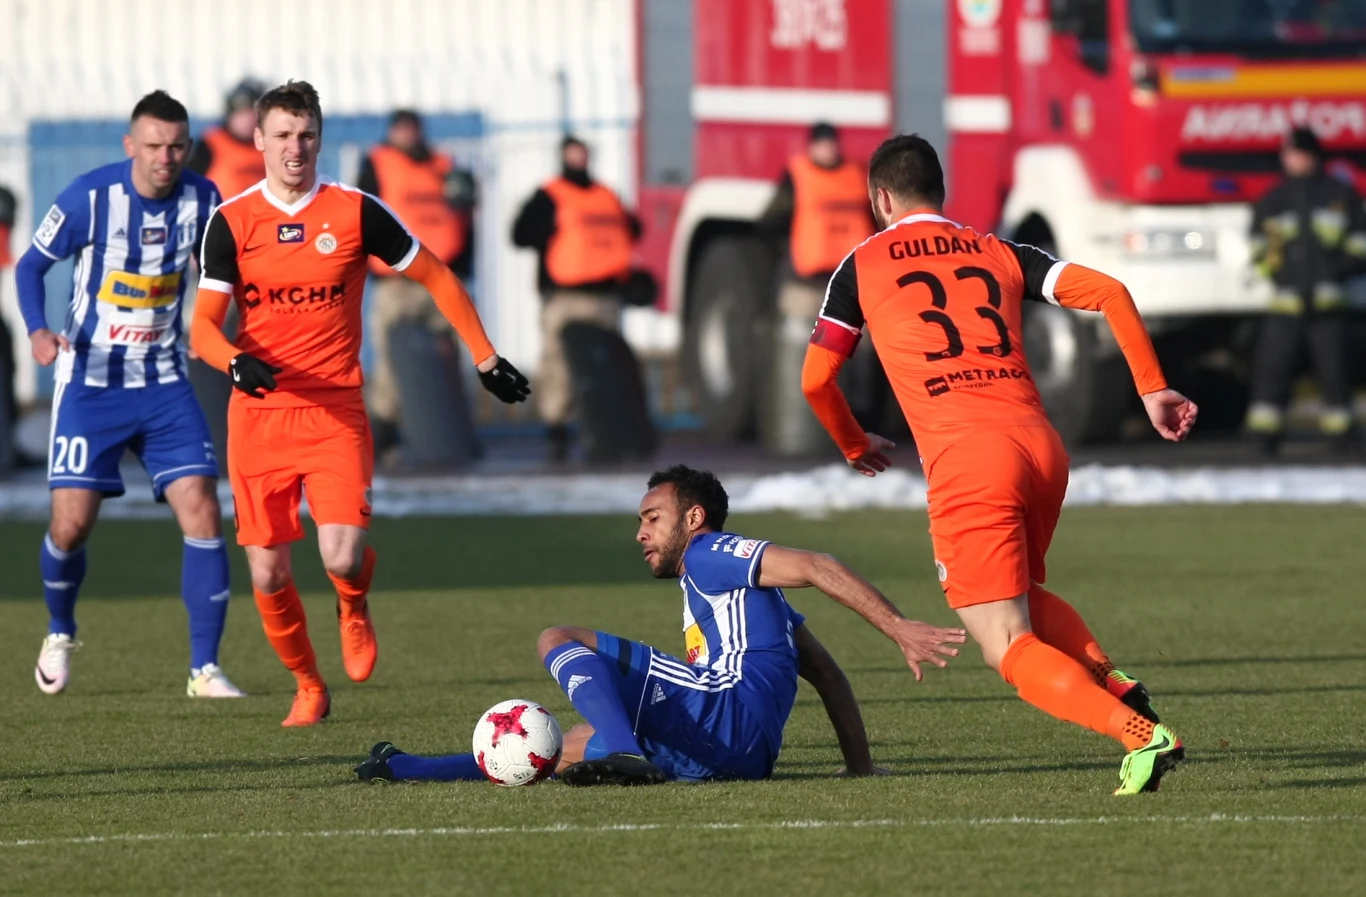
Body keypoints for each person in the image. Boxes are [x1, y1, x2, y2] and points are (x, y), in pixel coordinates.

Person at [801, 134, 1200, 796]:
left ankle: (1139, 734)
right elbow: (1109, 291)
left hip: (969, 459)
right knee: (1017, 598)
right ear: (942, 192)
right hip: (1041, 448)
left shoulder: (861, 265)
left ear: (880, 198)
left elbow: (817, 380)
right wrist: (1152, 386)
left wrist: (852, 443)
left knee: (1005, 644)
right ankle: (1110, 681)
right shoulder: (997, 249)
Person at [189, 81, 530, 727]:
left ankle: (352, 601)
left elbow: (434, 272)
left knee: (341, 554)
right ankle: (308, 683)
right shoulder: (230, 221)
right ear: (258, 139)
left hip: (334, 410)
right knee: (266, 573)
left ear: (321, 138)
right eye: (283, 135)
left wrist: (484, 356)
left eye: (306, 135)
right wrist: (233, 358)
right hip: (259, 417)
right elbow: (202, 325)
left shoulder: (353, 211)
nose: (295, 148)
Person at [353, 464, 965, 785]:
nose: (640, 533)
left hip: (723, 713)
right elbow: (827, 675)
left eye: (652, 517)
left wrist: (898, 626)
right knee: (564, 746)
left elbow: (816, 563)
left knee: (556, 638)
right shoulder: (754, 609)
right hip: (742, 753)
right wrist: (858, 767)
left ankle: (622, 748)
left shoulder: (708, 552)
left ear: (693, 518)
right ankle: (408, 766)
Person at [14, 91, 242, 698]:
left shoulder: (205, 199)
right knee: (72, 525)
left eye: (176, 146)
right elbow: (30, 266)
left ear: (188, 147)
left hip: (166, 382)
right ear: (130, 146)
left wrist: (210, 328)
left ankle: (204, 669)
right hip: (91, 384)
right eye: (153, 146)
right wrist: (38, 330)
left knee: (202, 507)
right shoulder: (91, 197)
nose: (165, 158)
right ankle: (60, 629)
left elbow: (221, 277)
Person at [512, 135, 641, 463]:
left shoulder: (606, 196)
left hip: (605, 297)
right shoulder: (550, 195)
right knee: (559, 367)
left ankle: (605, 433)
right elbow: (520, 233)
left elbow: (632, 230)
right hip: (564, 299)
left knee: (605, 368)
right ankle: (558, 431)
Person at [356, 109, 476, 455]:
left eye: (412, 128)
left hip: (440, 276)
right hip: (397, 281)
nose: (408, 135)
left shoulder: (444, 166)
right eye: (401, 129)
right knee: (394, 361)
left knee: (446, 356)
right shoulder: (378, 164)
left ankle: (445, 432)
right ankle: (384, 429)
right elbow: (361, 217)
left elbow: (464, 221)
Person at [1244, 125, 1366, 455]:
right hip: (1286, 307)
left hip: (1329, 306)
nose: (1291, 160)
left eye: (1296, 154)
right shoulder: (1274, 199)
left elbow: (1359, 244)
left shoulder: (1340, 195)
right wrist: (1280, 274)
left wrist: (1335, 272)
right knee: (1272, 372)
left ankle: (1342, 438)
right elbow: (1259, 248)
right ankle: (1262, 438)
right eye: (1288, 154)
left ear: (1312, 155)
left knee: (1336, 373)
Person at [186, 79, 268, 200]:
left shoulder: (272, 146)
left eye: (252, 115)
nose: (247, 121)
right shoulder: (210, 144)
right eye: (241, 115)